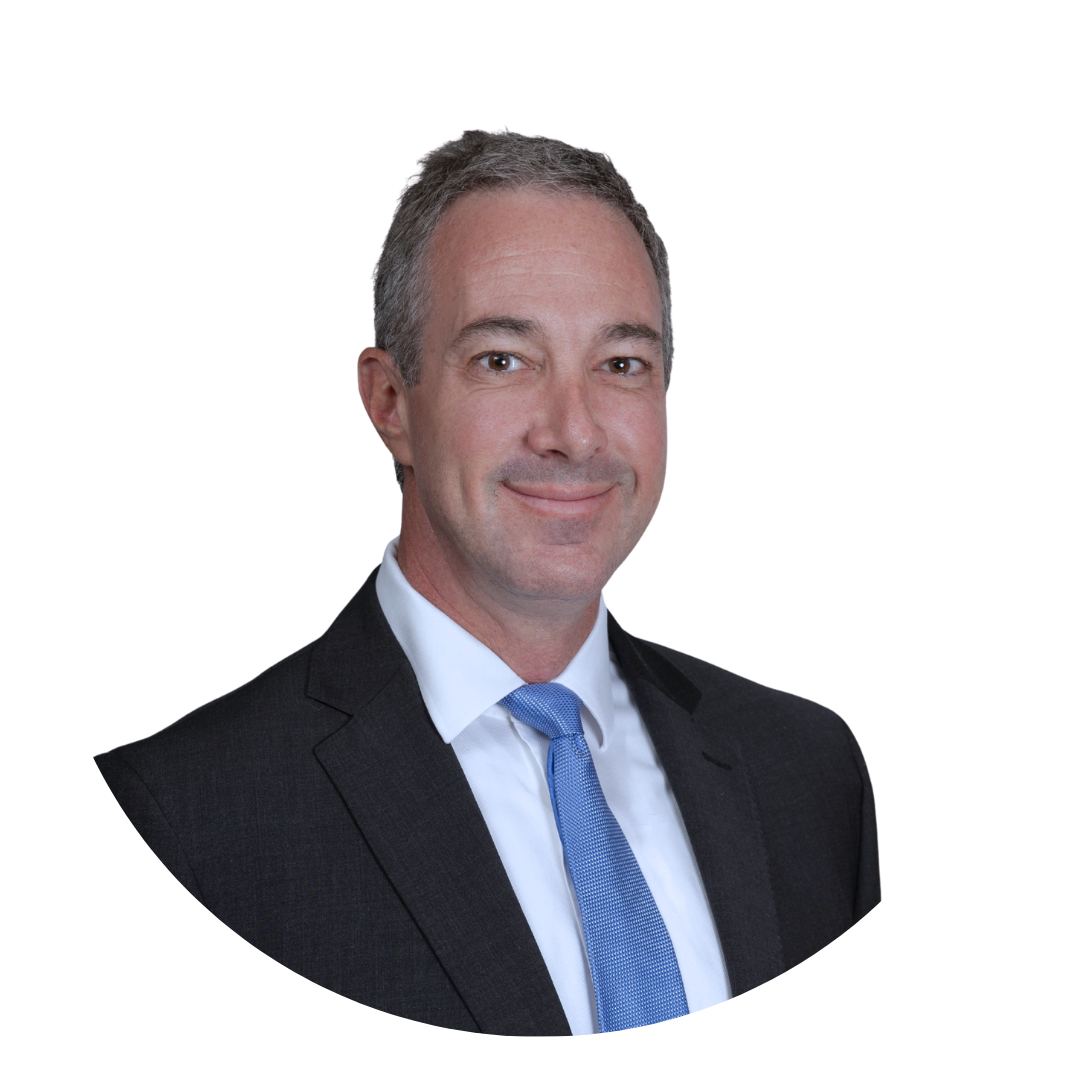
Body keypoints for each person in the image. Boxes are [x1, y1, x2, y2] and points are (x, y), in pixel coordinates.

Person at [94, 130, 879, 1035]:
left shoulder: (807, 774)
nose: (574, 432)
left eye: (622, 364)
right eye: (504, 359)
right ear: (391, 403)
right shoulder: (185, 823)